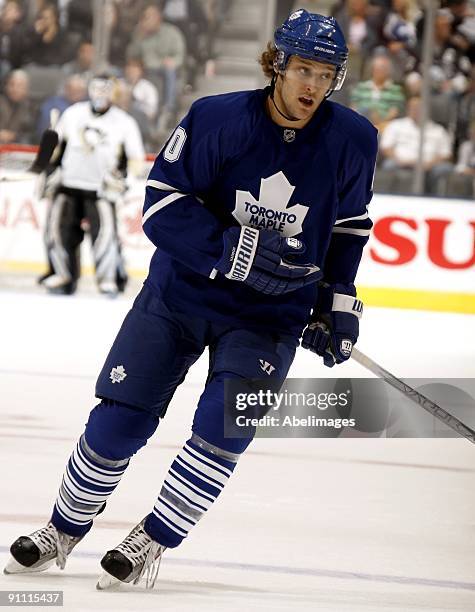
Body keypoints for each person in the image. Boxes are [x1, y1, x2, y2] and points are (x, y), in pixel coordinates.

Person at [5, 10, 377, 590]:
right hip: (180, 295)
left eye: (325, 74)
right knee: (120, 420)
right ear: (277, 64)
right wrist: (229, 250)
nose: (312, 85)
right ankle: (64, 529)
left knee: (221, 429)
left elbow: (350, 226)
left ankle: (151, 541)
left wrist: (337, 300)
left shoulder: (354, 140)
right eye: (302, 68)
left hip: (270, 316)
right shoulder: (216, 118)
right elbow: (160, 204)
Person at [37, 73, 145, 296]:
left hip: (101, 190)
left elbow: (136, 159)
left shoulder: (125, 122)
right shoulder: (73, 113)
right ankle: (61, 274)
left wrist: (124, 180)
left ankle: (110, 279)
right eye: (96, 88)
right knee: (57, 232)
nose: (100, 93)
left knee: (105, 237)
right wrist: (48, 171)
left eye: (105, 89)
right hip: (67, 185)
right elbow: (57, 146)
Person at [380, 95, 453, 194]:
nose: (415, 110)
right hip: (400, 162)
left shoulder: (439, 130)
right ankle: (390, 197)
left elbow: (445, 154)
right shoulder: (396, 125)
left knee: (444, 168)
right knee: (389, 165)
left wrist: (430, 163)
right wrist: (398, 159)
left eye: (418, 108)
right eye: (412, 108)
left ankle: (435, 199)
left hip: (430, 165)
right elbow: (386, 147)